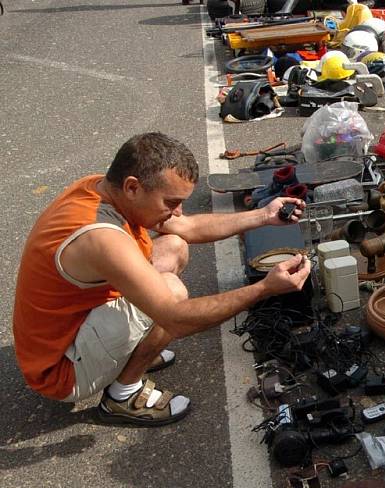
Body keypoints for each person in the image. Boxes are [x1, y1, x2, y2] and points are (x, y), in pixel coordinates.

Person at [13, 132, 311, 426]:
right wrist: (264, 288)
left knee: (174, 246)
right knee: (172, 293)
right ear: (132, 187)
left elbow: (188, 228)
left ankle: (125, 353)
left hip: (72, 327)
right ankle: (122, 395)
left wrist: (263, 215)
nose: (177, 211)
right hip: (62, 370)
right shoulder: (101, 238)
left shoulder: (100, 188)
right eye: (171, 202)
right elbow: (176, 319)